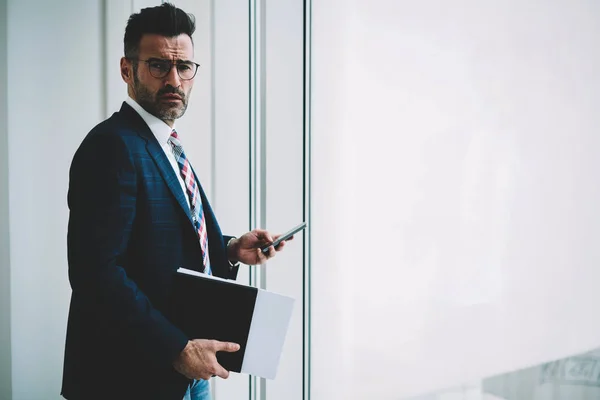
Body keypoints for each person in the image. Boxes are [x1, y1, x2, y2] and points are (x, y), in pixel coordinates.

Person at [61, 4, 290, 400]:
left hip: (184, 370)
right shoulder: (111, 146)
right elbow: (95, 273)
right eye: (157, 66)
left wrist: (230, 250)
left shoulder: (163, 144)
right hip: (133, 377)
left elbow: (155, 249)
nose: (174, 79)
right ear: (126, 69)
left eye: (184, 67)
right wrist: (177, 348)